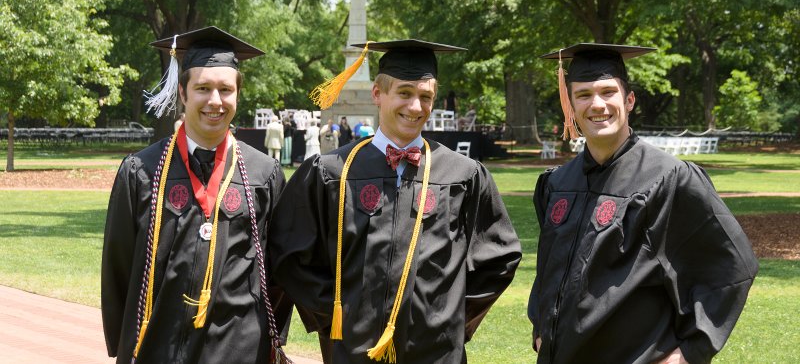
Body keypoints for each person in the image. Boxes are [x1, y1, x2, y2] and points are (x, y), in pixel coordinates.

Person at [271, 39, 522, 363]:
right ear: (378, 93)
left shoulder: (463, 175)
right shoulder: (331, 173)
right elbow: (290, 253)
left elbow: (498, 256)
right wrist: (335, 315)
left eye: (425, 97)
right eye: (404, 93)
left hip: (437, 353)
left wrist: (448, 316)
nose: (415, 107)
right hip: (353, 350)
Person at [528, 43, 759, 364]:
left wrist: (691, 350)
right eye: (583, 94)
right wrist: (541, 324)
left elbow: (733, 265)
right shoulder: (558, 183)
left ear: (630, 100)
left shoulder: (669, 178)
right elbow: (549, 266)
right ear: (570, 104)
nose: (597, 105)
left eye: (608, 92)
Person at [101, 26, 292, 363]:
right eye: (203, 88)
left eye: (225, 90)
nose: (215, 101)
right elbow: (118, 268)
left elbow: (279, 274)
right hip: (157, 344)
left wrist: (259, 332)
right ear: (183, 93)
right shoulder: (141, 172)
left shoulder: (265, 174)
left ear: (237, 94)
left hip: (239, 349)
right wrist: (126, 340)